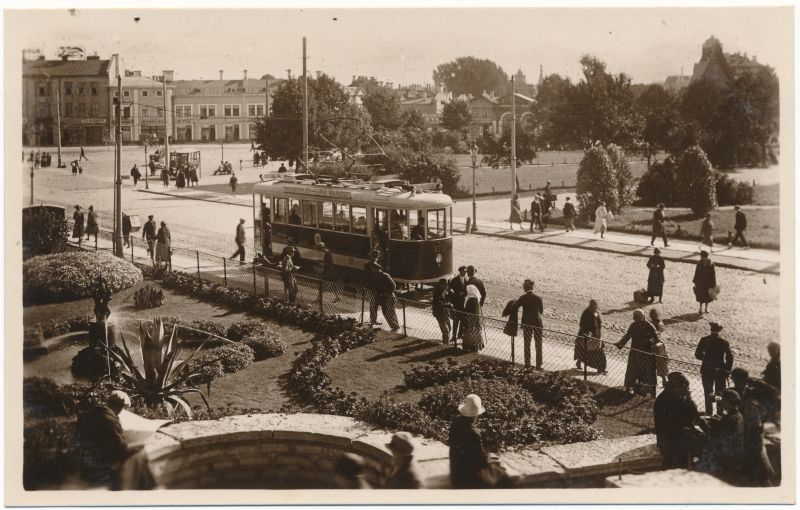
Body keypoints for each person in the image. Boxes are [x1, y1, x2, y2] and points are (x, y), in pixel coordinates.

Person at [75, 391, 150, 490]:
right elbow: (120, 450)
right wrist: (141, 446)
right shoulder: (111, 422)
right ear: (120, 408)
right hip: (103, 465)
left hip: (84, 459)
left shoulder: (89, 414)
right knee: (141, 455)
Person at [695, 389, 744, 482]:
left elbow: (714, 435)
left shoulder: (731, 419)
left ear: (729, 402)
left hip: (727, 456)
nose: (720, 402)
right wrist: (716, 420)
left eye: (723, 400)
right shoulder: (737, 415)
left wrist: (703, 424)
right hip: (734, 452)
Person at [653, 372, 700, 468]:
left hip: (681, 431)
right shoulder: (663, 400)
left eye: (687, 388)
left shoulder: (682, 397)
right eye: (684, 388)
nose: (687, 390)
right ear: (674, 388)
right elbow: (665, 424)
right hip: (668, 435)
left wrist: (690, 400)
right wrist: (682, 429)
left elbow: (694, 416)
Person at [615, 309, 659, 396]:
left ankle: (644, 391)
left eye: (637, 318)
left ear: (642, 317)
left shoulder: (649, 325)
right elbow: (628, 335)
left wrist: (649, 341)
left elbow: (656, 337)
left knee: (645, 373)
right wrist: (620, 344)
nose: (635, 320)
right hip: (635, 352)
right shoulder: (633, 325)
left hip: (646, 354)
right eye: (634, 318)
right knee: (632, 371)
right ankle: (628, 388)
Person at [449, 394, 489, 489]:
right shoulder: (474, 433)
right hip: (468, 478)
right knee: (498, 472)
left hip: (455, 473)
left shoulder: (455, 422)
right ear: (476, 414)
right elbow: (482, 461)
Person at [695, 321, 734, 415]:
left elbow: (697, 354)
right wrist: (727, 370)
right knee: (720, 393)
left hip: (707, 369)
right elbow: (730, 357)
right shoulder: (724, 342)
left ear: (711, 329)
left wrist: (706, 360)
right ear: (720, 330)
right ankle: (719, 413)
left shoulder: (704, 340)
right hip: (720, 371)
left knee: (708, 392)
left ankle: (709, 413)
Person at [515, 279, 544, 369]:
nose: (523, 287)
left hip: (527, 323)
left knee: (527, 344)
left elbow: (515, 306)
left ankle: (527, 363)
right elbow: (541, 311)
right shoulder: (538, 297)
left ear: (528, 287)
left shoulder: (523, 297)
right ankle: (538, 365)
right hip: (537, 323)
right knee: (538, 344)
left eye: (524, 286)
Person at [575, 299, 606, 374]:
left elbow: (599, 323)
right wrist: (587, 334)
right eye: (594, 305)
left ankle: (601, 368)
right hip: (588, 338)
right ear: (591, 305)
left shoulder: (596, 313)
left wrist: (599, 334)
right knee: (586, 353)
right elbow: (582, 325)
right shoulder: (586, 313)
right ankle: (600, 368)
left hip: (597, 337)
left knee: (599, 353)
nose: (596, 307)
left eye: (596, 305)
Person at [650, 308, 670, 387]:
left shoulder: (651, 323)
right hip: (660, 345)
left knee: (653, 364)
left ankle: (656, 381)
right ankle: (664, 381)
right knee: (662, 364)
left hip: (654, 345)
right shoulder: (660, 323)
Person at [461, 284, 484, 352]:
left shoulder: (471, 299)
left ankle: (471, 347)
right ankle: (474, 347)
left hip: (471, 320)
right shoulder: (476, 298)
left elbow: (470, 311)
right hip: (475, 320)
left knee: (470, 333)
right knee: (474, 333)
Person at [448, 266, 468, 343]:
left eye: (466, 271)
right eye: (463, 271)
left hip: (463, 304)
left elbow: (467, 290)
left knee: (462, 321)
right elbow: (449, 289)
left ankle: (459, 335)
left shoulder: (467, 280)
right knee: (456, 321)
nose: (465, 273)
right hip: (457, 304)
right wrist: (455, 296)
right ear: (460, 271)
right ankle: (453, 336)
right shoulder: (455, 280)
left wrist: (464, 293)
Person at [432, 278, 453, 344]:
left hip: (446, 313)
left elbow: (450, 300)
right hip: (439, 313)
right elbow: (439, 303)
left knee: (449, 328)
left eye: (447, 284)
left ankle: (445, 339)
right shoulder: (436, 293)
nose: (447, 285)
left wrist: (451, 293)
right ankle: (445, 342)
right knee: (445, 330)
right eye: (445, 284)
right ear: (441, 284)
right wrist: (448, 304)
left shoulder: (447, 291)